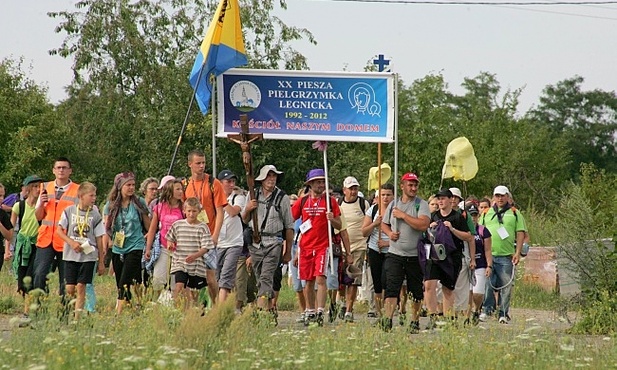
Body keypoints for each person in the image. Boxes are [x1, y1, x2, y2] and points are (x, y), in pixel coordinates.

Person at [291, 169, 344, 326]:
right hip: (305, 246)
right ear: (310, 184)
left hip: (323, 246)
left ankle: (320, 310)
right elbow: (290, 218)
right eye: (318, 182)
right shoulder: (302, 201)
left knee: (321, 278)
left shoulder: (330, 202)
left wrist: (332, 219)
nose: (321, 185)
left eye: (323, 182)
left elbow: (339, 225)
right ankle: (310, 311)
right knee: (308, 281)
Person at [380, 173, 430, 333]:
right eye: (410, 185)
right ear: (402, 186)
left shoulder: (421, 204)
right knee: (392, 287)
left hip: (415, 255)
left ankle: (414, 321)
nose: (414, 188)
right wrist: (389, 234)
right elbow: (384, 224)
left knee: (416, 290)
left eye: (416, 185)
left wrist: (403, 216)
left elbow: (423, 224)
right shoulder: (393, 204)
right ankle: (387, 319)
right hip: (395, 253)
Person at [243, 165, 294, 319]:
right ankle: (271, 309)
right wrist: (248, 209)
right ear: (262, 179)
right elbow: (245, 220)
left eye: (274, 176)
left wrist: (287, 251)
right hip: (256, 243)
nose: (271, 179)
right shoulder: (253, 194)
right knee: (260, 279)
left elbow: (289, 226)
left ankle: (260, 313)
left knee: (266, 277)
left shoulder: (282, 198)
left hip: (274, 242)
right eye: (268, 176)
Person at [57, 182, 106, 320]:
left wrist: (101, 261)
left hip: (88, 256)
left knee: (81, 286)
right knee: (70, 288)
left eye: (94, 195)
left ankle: (77, 318)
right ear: (81, 196)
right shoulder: (69, 211)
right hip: (71, 255)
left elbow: (99, 238)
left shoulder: (95, 215)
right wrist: (71, 242)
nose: (94, 198)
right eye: (91, 195)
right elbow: (59, 230)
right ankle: (70, 309)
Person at [183, 150, 227, 306]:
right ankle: (195, 309)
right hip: (190, 236)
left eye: (203, 163)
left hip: (208, 234)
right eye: (198, 163)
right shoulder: (184, 185)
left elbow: (220, 211)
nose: (202, 166)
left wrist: (215, 235)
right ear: (190, 164)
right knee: (192, 276)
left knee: (210, 277)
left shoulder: (213, 183)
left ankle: (216, 306)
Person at [103, 172, 151, 314]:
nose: (131, 188)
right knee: (124, 281)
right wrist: (106, 245)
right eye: (128, 185)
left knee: (125, 279)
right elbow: (106, 227)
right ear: (120, 186)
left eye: (133, 185)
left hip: (136, 244)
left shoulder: (139, 203)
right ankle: (132, 306)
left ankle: (118, 312)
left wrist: (148, 237)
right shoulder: (110, 205)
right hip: (118, 246)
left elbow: (148, 225)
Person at [425, 189, 473, 325]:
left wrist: (452, 229)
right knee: (429, 284)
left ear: (450, 200)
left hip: (452, 257)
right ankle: (432, 316)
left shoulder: (458, 217)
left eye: (443, 198)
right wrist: (429, 228)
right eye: (438, 198)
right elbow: (424, 234)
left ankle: (449, 318)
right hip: (434, 255)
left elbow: (468, 236)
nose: (440, 201)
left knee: (447, 288)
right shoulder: (433, 216)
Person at [33, 157, 80, 297]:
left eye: (64, 167)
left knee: (66, 280)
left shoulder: (77, 190)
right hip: (46, 238)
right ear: (53, 170)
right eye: (58, 167)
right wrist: (40, 203)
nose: (61, 170)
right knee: (39, 274)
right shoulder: (45, 187)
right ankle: (39, 309)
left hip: (67, 240)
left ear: (70, 171)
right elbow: (38, 216)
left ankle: (65, 313)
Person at [480, 185, 526, 324]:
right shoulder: (486, 213)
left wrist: (517, 252)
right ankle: (487, 310)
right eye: (497, 196)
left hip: (506, 255)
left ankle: (504, 313)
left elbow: (520, 233)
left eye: (503, 196)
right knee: (487, 284)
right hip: (489, 255)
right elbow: (480, 232)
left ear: (507, 197)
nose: (500, 198)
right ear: (494, 197)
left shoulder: (514, 213)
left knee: (506, 286)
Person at [166, 197, 214, 309]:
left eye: (194, 211)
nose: (191, 214)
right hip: (180, 262)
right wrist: (170, 244)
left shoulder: (202, 227)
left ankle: (199, 312)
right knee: (179, 285)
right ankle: (177, 309)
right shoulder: (178, 225)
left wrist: (195, 256)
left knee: (196, 293)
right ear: (184, 211)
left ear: (199, 212)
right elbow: (170, 237)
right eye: (189, 211)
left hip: (196, 265)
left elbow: (206, 247)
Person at [8, 176, 43, 321]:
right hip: (22, 245)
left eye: (39, 187)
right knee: (22, 280)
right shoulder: (19, 206)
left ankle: (30, 312)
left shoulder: (42, 207)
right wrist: (7, 249)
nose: (37, 189)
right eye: (34, 186)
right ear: (28, 188)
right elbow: (10, 229)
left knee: (32, 277)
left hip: (37, 245)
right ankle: (29, 308)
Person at [145, 176, 184, 299]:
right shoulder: (160, 207)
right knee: (158, 279)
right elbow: (152, 228)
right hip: (163, 246)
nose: (181, 192)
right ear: (170, 191)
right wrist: (148, 248)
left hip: (180, 249)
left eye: (181, 189)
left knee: (175, 281)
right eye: (177, 189)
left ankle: (175, 305)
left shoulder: (183, 207)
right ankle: (155, 302)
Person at [338, 176, 370, 323]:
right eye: (351, 189)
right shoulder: (338, 204)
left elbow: (368, 223)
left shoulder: (363, 204)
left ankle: (349, 310)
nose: (354, 191)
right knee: (341, 280)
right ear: (344, 190)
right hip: (341, 247)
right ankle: (342, 303)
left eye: (355, 188)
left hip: (358, 246)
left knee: (353, 279)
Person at [361, 183, 394, 318]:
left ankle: (388, 313)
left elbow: (403, 234)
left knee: (388, 282)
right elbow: (364, 232)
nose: (385, 198)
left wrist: (387, 242)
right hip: (375, 249)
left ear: (393, 196)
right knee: (377, 283)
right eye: (383, 195)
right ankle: (379, 314)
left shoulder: (396, 211)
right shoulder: (373, 210)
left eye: (388, 195)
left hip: (392, 251)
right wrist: (375, 224)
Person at [215, 170, 245, 303]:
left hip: (234, 242)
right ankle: (220, 305)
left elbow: (233, 212)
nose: (231, 184)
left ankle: (221, 310)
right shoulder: (213, 197)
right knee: (216, 276)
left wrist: (221, 201)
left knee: (226, 277)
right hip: (218, 242)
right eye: (228, 182)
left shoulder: (238, 197)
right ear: (220, 183)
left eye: (233, 181)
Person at [466, 204, 492, 325]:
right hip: (467, 265)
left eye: (475, 215)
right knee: (468, 292)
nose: (473, 218)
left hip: (480, 264)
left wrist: (489, 265)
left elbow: (487, 249)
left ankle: (477, 309)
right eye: (471, 215)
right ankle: (467, 315)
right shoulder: (464, 229)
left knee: (478, 293)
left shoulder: (483, 231)